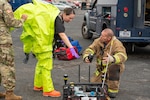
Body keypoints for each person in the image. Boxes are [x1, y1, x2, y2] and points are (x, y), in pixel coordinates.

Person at [33, 7, 80, 97]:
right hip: (45, 45)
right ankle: (48, 90)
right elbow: (62, 34)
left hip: (39, 43)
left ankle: (38, 85)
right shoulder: (57, 20)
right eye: (70, 18)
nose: (71, 20)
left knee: (40, 65)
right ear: (64, 14)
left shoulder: (55, 17)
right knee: (46, 67)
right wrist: (71, 48)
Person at [83, 28, 127, 98]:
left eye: (103, 36)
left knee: (114, 68)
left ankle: (113, 90)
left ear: (109, 38)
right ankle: (103, 83)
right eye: (101, 35)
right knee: (92, 87)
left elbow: (123, 55)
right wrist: (86, 57)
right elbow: (90, 49)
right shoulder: (98, 41)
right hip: (101, 69)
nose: (100, 37)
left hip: (112, 67)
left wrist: (113, 59)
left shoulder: (116, 44)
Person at [0, 0, 28, 100]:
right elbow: (10, 22)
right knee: (7, 66)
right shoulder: (4, 4)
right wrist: (22, 20)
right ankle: (9, 93)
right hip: (3, 41)